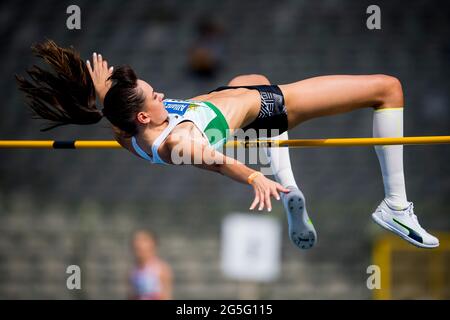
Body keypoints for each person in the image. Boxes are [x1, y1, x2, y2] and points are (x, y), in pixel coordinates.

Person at [16, 40, 439, 250]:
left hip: (229, 103)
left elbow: (113, 110)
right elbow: (216, 162)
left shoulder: (126, 131)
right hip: (271, 108)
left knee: (247, 78)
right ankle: (395, 207)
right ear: (144, 116)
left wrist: (100, 88)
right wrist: (254, 177)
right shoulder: (178, 139)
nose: (162, 95)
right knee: (388, 88)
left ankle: (291, 187)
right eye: (155, 96)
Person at [129, 230, 173, 300]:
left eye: (143, 240)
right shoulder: (133, 270)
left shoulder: (161, 268)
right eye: (136, 240)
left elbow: (166, 296)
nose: (138, 243)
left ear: (153, 244)